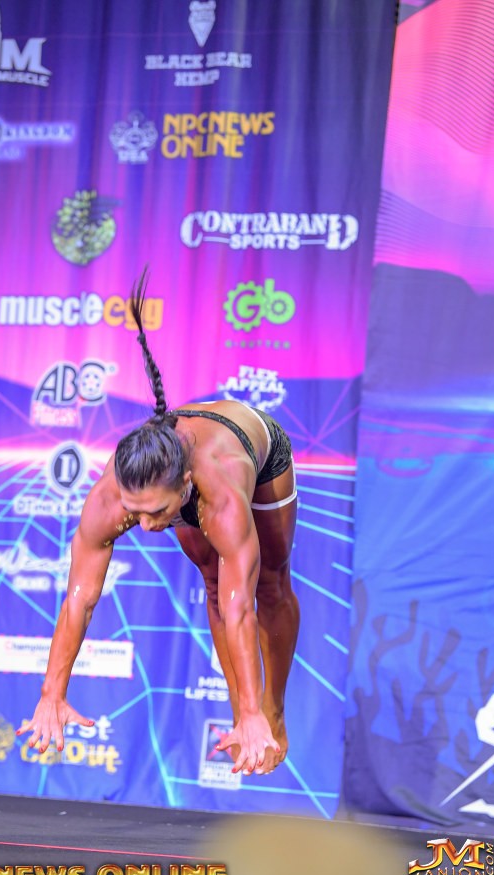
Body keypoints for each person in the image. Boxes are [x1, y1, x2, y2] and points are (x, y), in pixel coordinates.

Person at [18, 271, 300, 776]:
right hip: (188, 474)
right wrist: (51, 694)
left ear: (186, 485)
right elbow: (79, 598)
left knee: (271, 584)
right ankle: (242, 714)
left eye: (156, 513)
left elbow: (242, 609)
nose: (146, 527)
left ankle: (269, 713)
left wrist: (257, 710)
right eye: (137, 511)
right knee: (212, 583)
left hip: (257, 451)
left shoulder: (219, 492)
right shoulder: (110, 499)